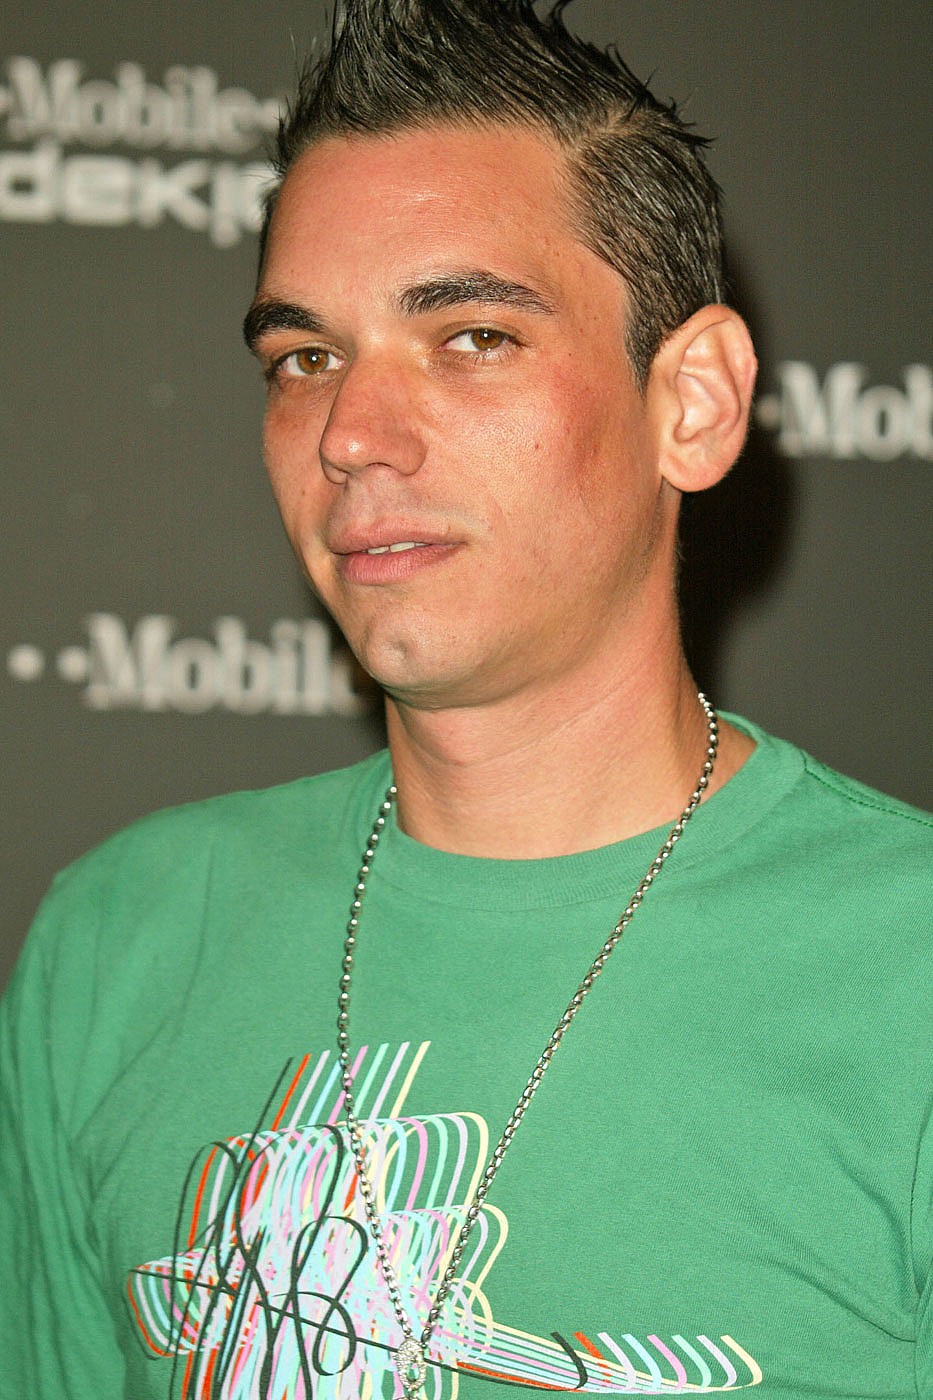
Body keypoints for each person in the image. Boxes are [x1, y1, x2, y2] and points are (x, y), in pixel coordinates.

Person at [1, 2, 930, 1397]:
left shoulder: (904, 977)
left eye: (473, 336)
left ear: (692, 403)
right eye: (305, 358)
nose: (350, 436)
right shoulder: (119, 946)